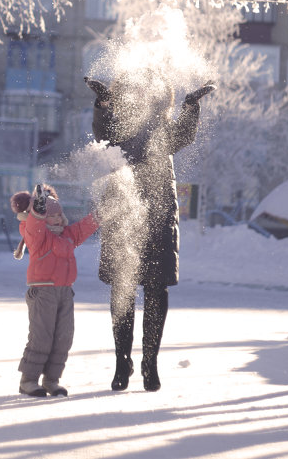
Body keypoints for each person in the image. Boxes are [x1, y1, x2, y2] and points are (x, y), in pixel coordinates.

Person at [85, 72, 215, 392]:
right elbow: (102, 132)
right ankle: (121, 361)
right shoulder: (119, 125)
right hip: (123, 215)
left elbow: (183, 134)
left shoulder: (161, 128)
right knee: (123, 290)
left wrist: (190, 107)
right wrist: (103, 104)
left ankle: (150, 363)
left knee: (157, 291)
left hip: (158, 217)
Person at [10, 183, 99, 397]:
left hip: (65, 292)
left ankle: (52, 379)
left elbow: (84, 227)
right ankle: (29, 379)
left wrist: (102, 212)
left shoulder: (67, 235)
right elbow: (34, 225)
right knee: (41, 336)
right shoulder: (37, 235)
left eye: (59, 215)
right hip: (43, 292)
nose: (58, 219)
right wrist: (38, 210)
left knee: (63, 337)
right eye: (52, 216)